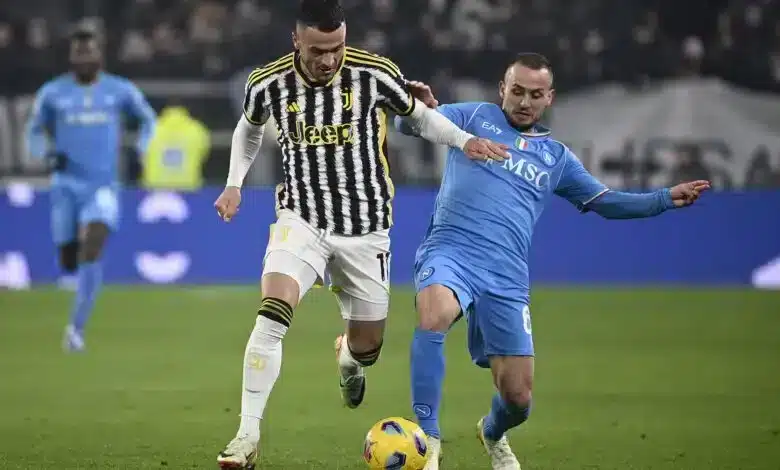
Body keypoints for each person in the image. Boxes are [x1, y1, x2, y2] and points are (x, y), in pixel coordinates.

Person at [212, 0, 508, 467]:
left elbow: (419, 116)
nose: (329, 59)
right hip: (301, 217)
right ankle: (246, 437)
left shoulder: (374, 73)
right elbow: (248, 129)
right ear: (296, 41)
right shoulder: (267, 83)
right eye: (317, 50)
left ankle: (348, 357)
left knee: (368, 347)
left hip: (366, 228)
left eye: (337, 47)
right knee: (272, 313)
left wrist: (464, 140)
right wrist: (234, 183)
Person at [396, 52, 710, 470]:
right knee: (433, 314)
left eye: (535, 94)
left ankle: (492, 432)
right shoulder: (473, 116)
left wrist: (664, 199)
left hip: (506, 275)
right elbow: (411, 124)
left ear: (549, 98)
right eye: (517, 91)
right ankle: (428, 442)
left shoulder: (556, 158)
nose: (524, 101)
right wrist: (415, 108)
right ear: (502, 89)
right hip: (451, 250)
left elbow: (605, 202)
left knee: (518, 399)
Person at [25, 20, 156, 352]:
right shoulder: (52, 93)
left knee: (93, 245)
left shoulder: (119, 90)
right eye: (78, 54)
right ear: (71, 58)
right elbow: (34, 131)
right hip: (65, 186)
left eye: (89, 53)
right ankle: (69, 261)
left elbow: (148, 119)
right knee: (69, 259)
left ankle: (75, 329)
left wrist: (141, 147)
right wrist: (46, 154)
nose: (84, 59)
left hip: (103, 186)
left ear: (100, 56)